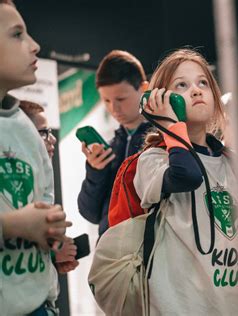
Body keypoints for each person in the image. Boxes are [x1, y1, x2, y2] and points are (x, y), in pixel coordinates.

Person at [134, 48, 238, 314]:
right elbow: (186, 175)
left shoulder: (231, 162)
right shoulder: (153, 160)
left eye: (203, 83)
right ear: (159, 99)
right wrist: (171, 124)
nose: (196, 91)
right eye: (182, 85)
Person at [0, 0, 72, 314]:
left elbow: (45, 199)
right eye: (17, 35)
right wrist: (10, 226)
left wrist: (51, 233)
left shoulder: (25, 128)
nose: (34, 46)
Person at [77, 50, 153, 236]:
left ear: (144, 89)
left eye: (121, 99)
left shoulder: (163, 140)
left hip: (149, 251)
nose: (114, 108)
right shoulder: (110, 147)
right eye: (106, 100)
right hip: (110, 252)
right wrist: (95, 171)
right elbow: (91, 213)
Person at [19, 100, 79, 274]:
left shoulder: (39, 178)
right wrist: (50, 255)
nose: (52, 139)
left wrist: (51, 264)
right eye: (43, 132)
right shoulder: (14, 186)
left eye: (50, 132)